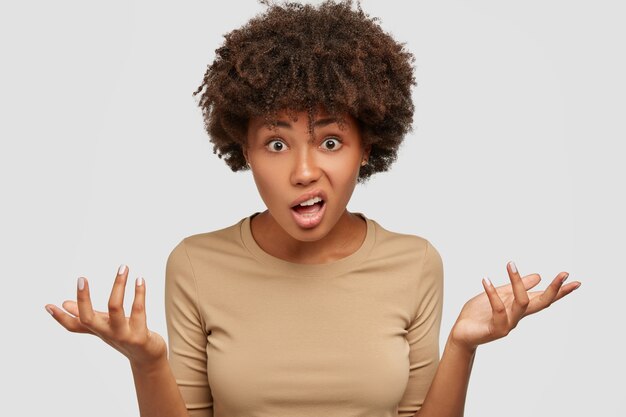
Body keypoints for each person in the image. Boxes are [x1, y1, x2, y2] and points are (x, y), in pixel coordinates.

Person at [44, 1, 582, 416]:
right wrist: (147, 361)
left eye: (329, 141)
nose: (303, 171)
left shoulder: (415, 263)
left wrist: (463, 347)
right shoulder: (195, 264)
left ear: (366, 147)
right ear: (244, 151)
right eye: (276, 144)